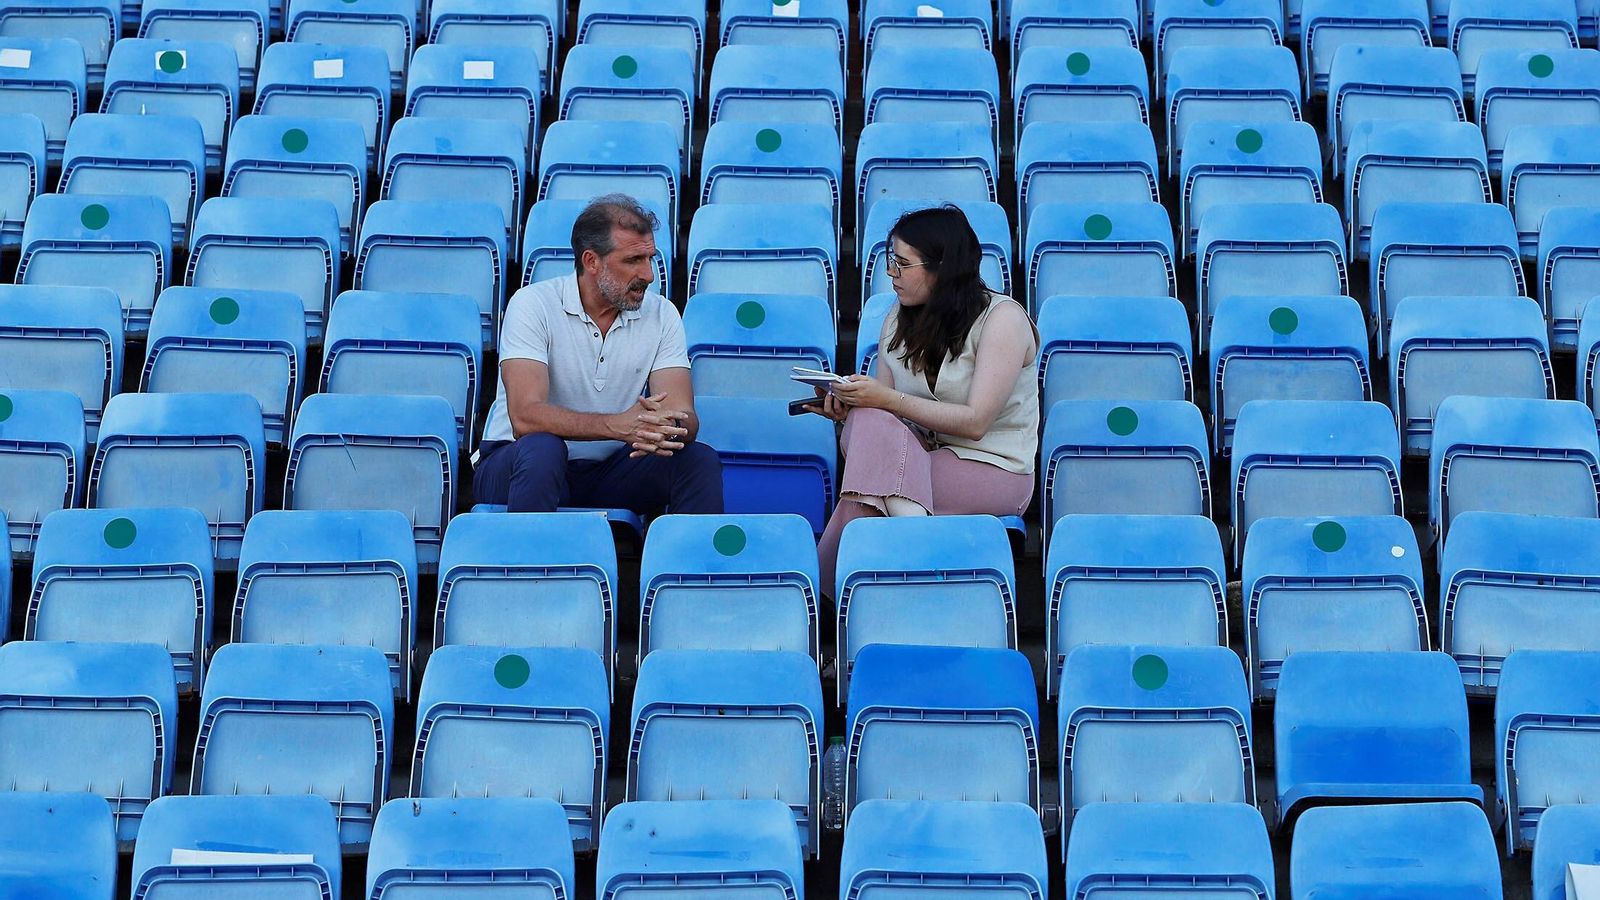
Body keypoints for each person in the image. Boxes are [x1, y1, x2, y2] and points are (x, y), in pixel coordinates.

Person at [809, 205, 1039, 590]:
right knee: (866, 426)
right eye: (890, 260)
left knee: (865, 498)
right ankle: (913, 558)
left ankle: (825, 597)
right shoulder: (896, 321)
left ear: (941, 267)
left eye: (902, 263)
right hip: (917, 458)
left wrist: (885, 400)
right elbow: (882, 422)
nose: (890, 273)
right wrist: (847, 407)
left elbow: (976, 422)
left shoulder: (1002, 320)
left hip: (993, 468)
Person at [473, 194, 724, 515]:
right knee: (543, 447)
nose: (648, 274)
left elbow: (684, 415)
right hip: (518, 464)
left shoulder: (662, 313)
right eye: (633, 261)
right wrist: (617, 425)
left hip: (612, 469)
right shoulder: (532, 304)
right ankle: (527, 563)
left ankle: (693, 565)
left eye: (650, 259)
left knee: (697, 459)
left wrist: (668, 424)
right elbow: (525, 418)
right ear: (591, 261)